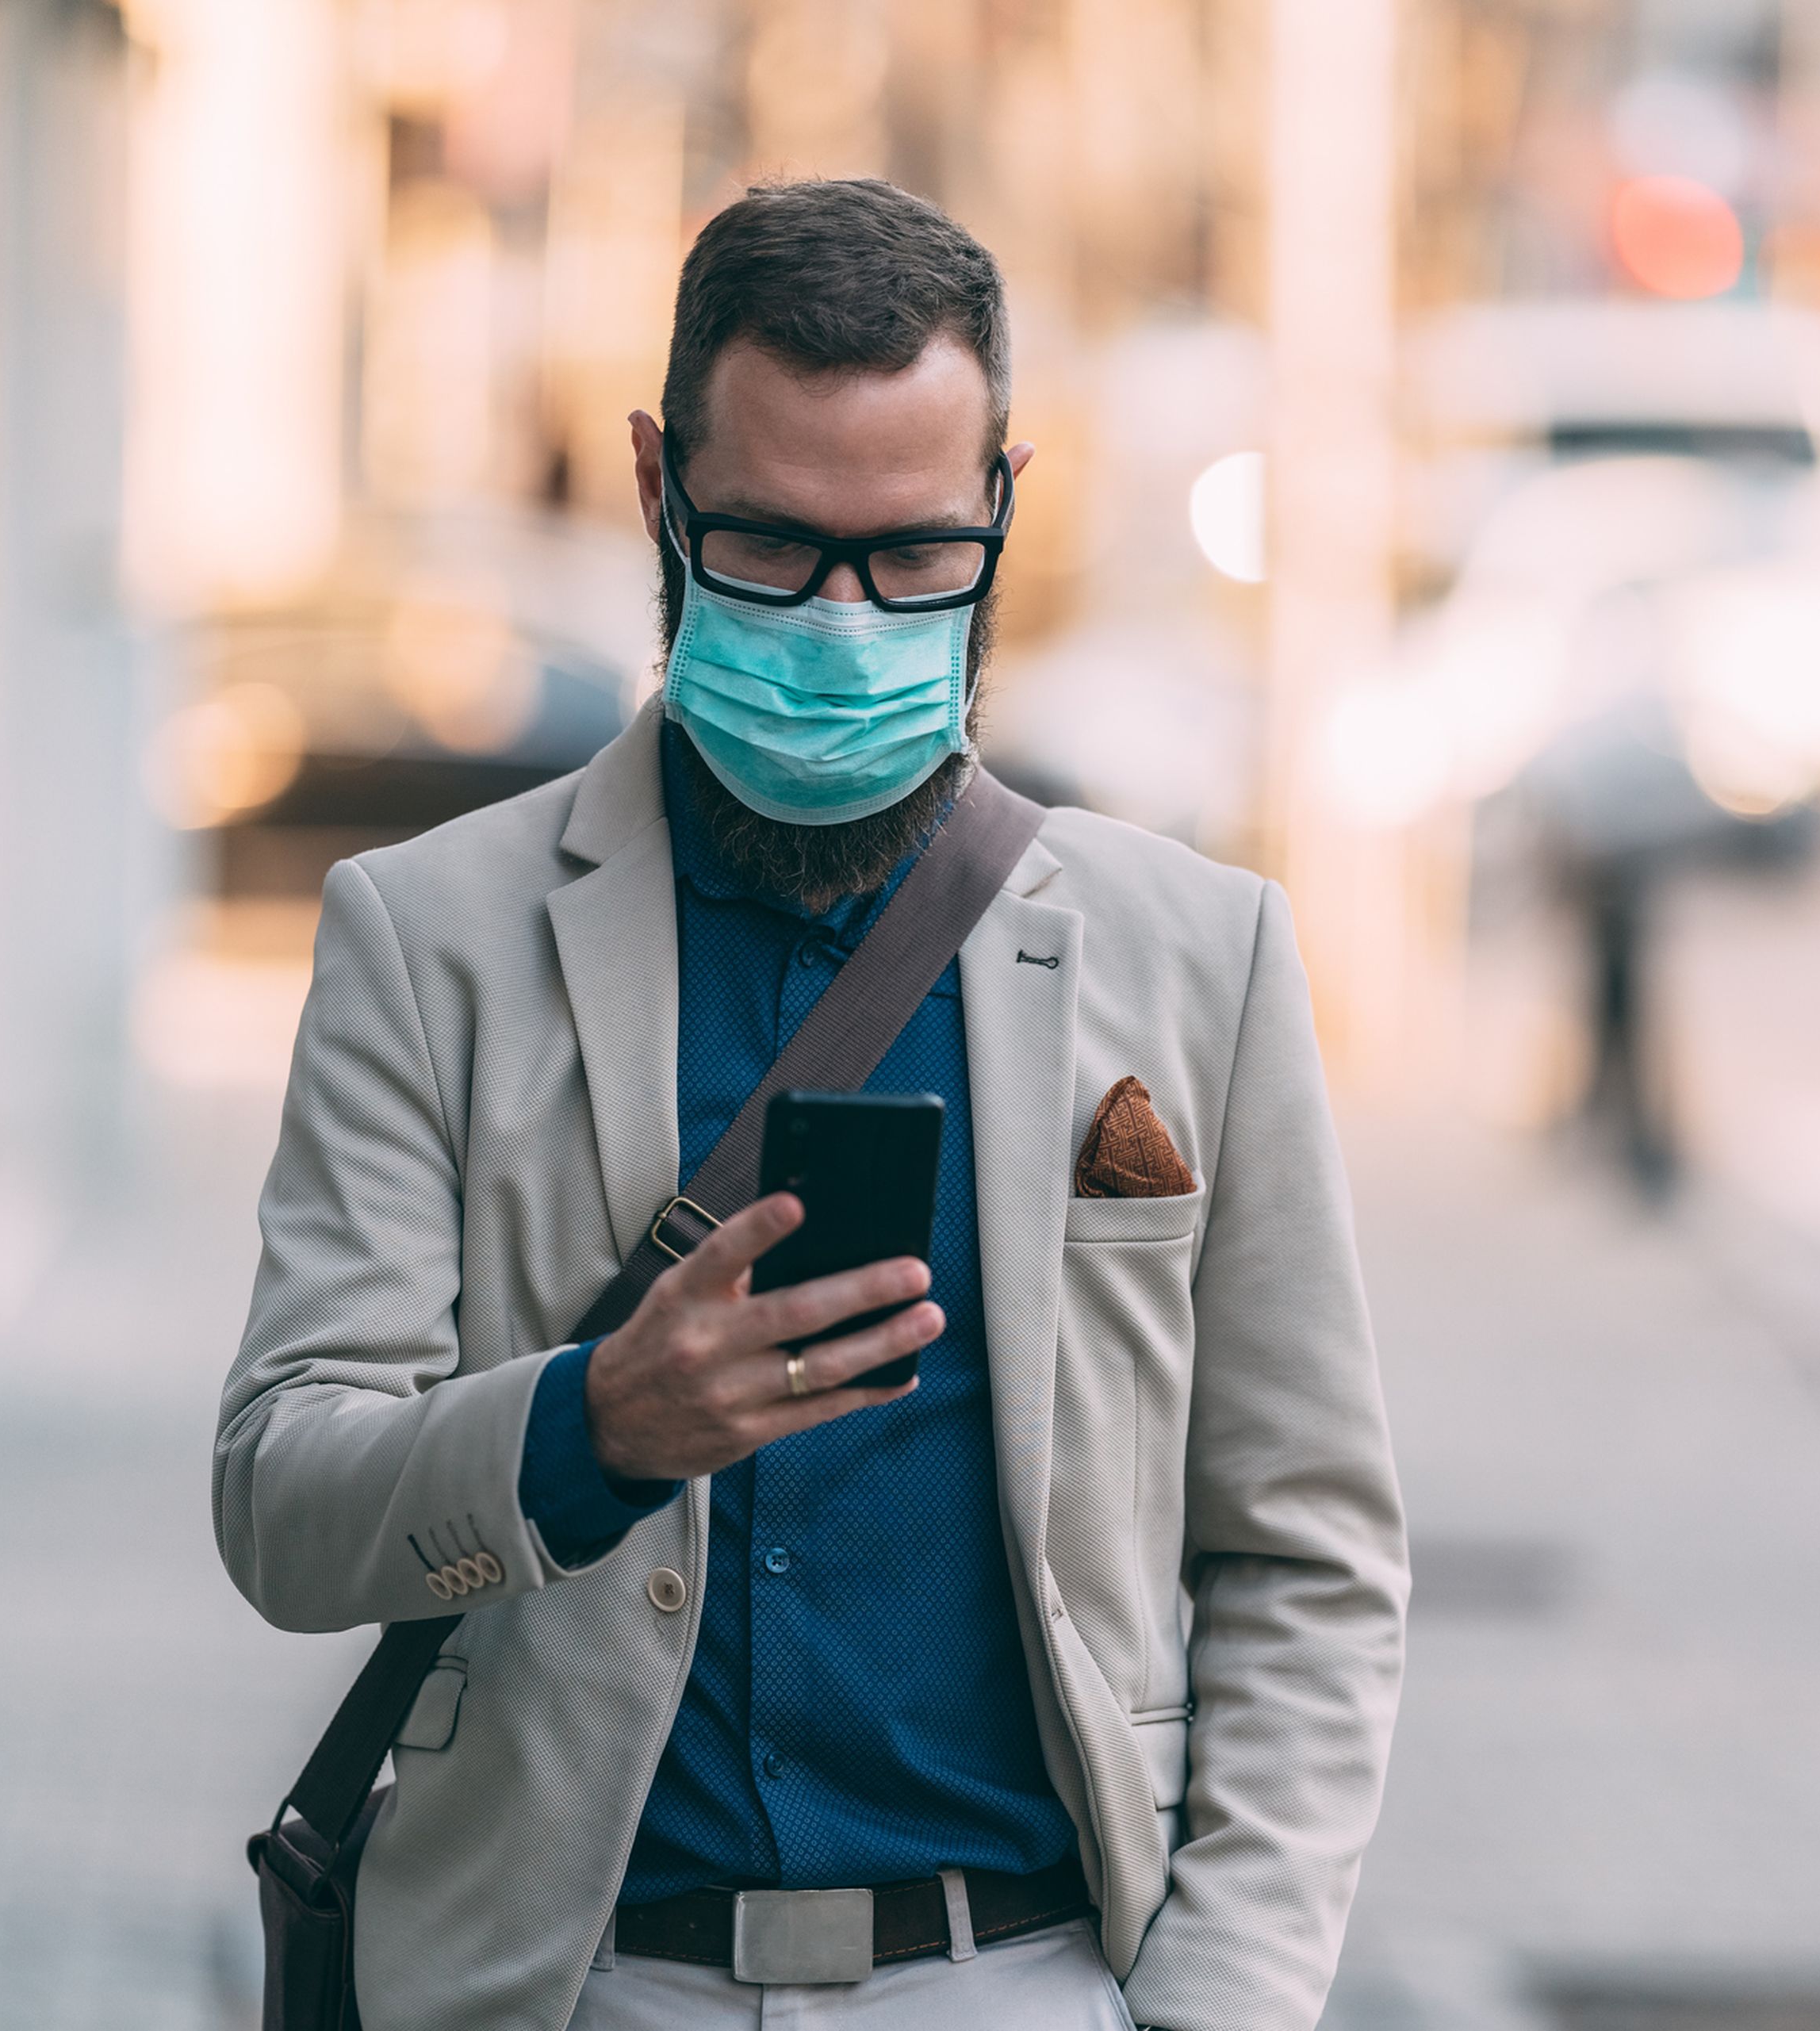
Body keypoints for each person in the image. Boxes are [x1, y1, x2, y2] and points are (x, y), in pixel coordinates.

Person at [215, 177, 1406, 2031]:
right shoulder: (425, 936)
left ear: (1005, 499)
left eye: (916, 555)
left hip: (1014, 1977)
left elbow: (1307, 1552)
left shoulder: (1201, 957)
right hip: (578, 1985)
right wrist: (584, 1429)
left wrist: (1224, 1999)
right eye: (769, 546)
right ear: (652, 487)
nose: (845, 620)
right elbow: (283, 1500)